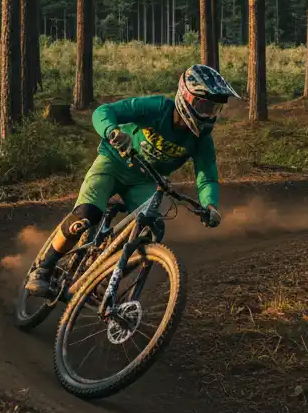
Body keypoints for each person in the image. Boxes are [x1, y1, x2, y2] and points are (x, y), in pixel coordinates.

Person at [25, 64, 239, 297]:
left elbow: (206, 175)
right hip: (112, 164)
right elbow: (103, 112)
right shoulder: (158, 107)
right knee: (85, 216)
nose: (209, 115)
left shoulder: (202, 140)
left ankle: (105, 277)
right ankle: (43, 269)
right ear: (186, 98)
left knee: (152, 229)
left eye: (214, 109)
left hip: (145, 181)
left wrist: (210, 205)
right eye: (204, 107)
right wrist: (112, 131)